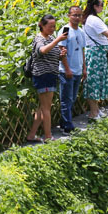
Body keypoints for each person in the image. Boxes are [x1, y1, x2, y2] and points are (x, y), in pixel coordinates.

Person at [26, 14, 67, 144]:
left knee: (43, 107)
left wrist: (61, 55)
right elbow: (42, 51)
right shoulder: (39, 39)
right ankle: (48, 136)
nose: (53, 29)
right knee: (46, 108)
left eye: (54, 26)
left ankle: (32, 135)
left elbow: (51, 55)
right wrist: (57, 40)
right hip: (42, 75)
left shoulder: (50, 37)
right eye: (50, 26)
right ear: (42, 26)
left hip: (50, 75)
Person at [57, 5, 86, 134]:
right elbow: (61, 51)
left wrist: (84, 68)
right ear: (69, 15)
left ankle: (64, 123)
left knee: (72, 98)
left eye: (79, 15)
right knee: (66, 99)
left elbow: (82, 51)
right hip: (66, 71)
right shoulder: (65, 30)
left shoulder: (80, 31)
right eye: (74, 15)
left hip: (78, 70)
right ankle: (68, 127)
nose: (77, 17)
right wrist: (67, 69)